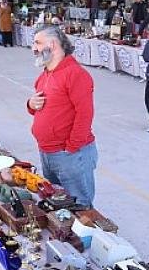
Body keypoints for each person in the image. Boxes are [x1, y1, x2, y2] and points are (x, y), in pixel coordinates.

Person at [26, 26, 98, 207]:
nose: (33, 48)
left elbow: (85, 114)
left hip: (69, 155)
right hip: (48, 152)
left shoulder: (75, 74)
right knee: (57, 203)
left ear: (52, 43)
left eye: (37, 43)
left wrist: (72, 147)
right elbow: (40, 106)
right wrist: (30, 104)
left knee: (79, 206)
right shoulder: (46, 74)